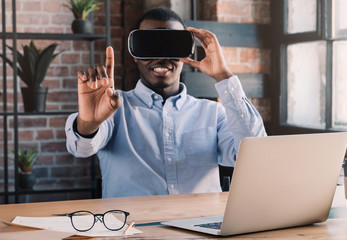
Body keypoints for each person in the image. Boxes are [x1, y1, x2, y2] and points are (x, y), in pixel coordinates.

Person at [65, 8, 267, 198]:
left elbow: (256, 157)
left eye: (171, 45)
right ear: (135, 55)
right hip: (132, 231)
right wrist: (88, 124)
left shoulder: (213, 113)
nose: (161, 57)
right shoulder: (113, 108)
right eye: (150, 46)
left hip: (201, 231)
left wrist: (224, 76)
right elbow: (81, 148)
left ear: (186, 53)